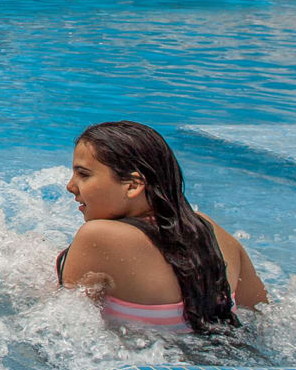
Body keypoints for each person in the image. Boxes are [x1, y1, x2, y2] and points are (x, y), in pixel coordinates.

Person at [58, 120, 267, 331]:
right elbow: (262, 314)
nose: (70, 186)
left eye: (83, 174)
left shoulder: (98, 236)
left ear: (133, 185)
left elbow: (62, 322)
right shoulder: (211, 229)